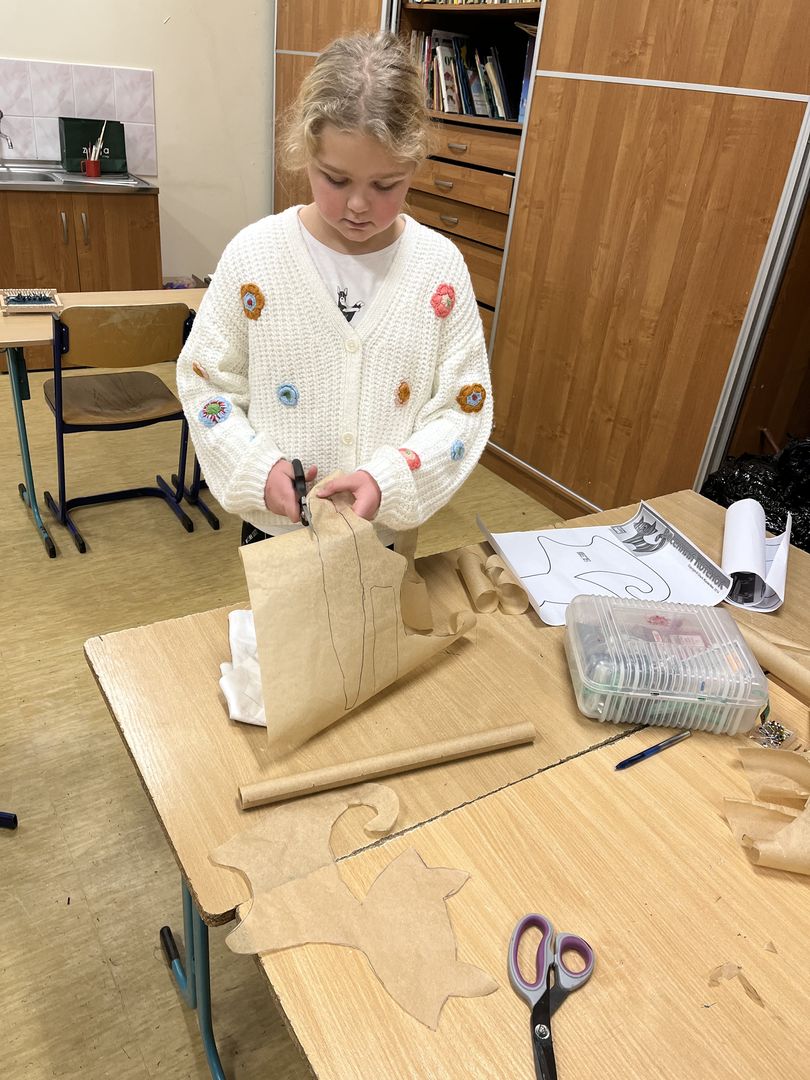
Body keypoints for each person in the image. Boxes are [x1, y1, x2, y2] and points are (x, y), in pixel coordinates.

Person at [176, 31, 493, 548]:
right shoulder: (255, 257)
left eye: (385, 185)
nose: (358, 206)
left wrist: (389, 479)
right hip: (277, 531)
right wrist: (256, 466)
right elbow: (205, 382)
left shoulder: (439, 271)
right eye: (336, 180)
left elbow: (464, 407)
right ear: (305, 152)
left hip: (385, 534)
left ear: (414, 165)